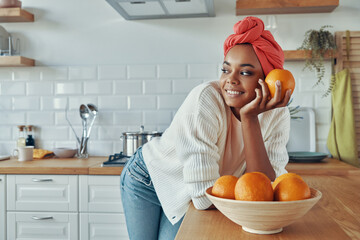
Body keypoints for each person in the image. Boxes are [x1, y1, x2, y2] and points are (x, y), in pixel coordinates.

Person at [120, 16, 292, 240]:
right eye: (225, 69)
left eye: (246, 72)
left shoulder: (278, 114)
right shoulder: (206, 100)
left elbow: (264, 190)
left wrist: (249, 118)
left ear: (268, 80)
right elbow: (203, 198)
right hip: (148, 179)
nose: (230, 80)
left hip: (201, 184)